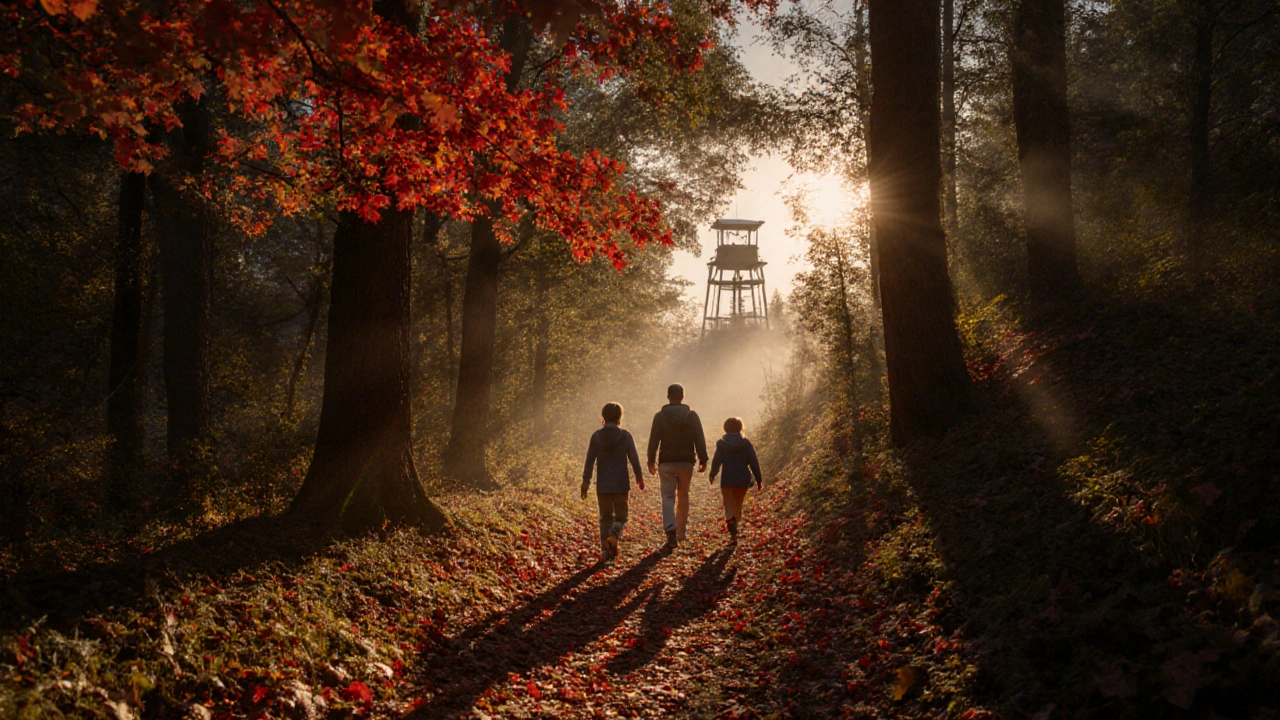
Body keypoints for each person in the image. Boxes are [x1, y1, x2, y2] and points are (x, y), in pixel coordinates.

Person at [646, 383, 708, 550]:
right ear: (682, 396)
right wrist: (703, 459)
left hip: (666, 462)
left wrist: (651, 461)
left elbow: (653, 440)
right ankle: (681, 531)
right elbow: (699, 438)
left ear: (668, 397)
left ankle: (670, 532)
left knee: (667, 497)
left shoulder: (660, 416)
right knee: (683, 495)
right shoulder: (691, 415)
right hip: (686, 462)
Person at [582, 402, 644, 564]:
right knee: (621, 517)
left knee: (605, 518)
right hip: (621, 483)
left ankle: (605, 551)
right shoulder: (625, 436)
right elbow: (634, 458)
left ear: (604, 416)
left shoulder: (596, 437)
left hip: (603, 484)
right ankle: (614, 535)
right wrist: (639, 477)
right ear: (619, 417)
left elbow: (589, 461)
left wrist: (586, 481)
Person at [709, 416, 763, 542]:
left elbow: (717, 460)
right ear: (740, 428)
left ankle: (731, 524)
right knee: (738, 504)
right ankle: (735, 524)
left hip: (727, 478)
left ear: (725, 428)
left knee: (728, 504)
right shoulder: (746, 443)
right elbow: (754, 462)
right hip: (743, 478)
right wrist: (759, 479)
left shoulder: (722, 444)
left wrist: (713, 474)